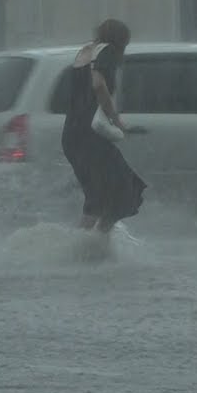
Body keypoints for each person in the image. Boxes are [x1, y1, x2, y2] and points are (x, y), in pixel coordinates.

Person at [61, 19, 146, 235]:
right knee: (124, 190)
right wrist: (116, 120)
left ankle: (92, 244)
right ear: (120, 41)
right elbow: (98, 84)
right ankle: (87, 245)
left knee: (101, 196)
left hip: (72, 135)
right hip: (89, 135)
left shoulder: (85, 52)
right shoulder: (107, 51)